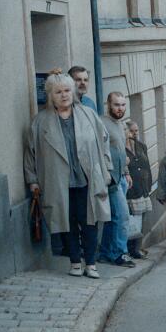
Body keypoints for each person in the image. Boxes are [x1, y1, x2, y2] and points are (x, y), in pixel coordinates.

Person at [24, 70, 112, 279]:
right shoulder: (40, 122)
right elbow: (30, 153)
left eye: (66, 91)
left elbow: (104, 142)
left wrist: (106, 169)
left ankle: (90, 263)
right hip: (57, 181)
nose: (63, 95)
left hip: (86, 179)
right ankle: (74, 262)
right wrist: (33, 180)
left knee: (90, 221)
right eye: (58, 92)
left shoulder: (88, 115)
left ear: (72, 92)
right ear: (50, 95)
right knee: (67, 223)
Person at [98, 92, 135, 268]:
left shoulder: (120, 125)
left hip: (120, 176)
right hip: (111, 178)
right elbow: (100, 153)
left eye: (122, 105)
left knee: (113, 217)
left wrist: (127, 172)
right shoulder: (102, 123)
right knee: (122, 216)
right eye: (116, 105)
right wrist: (108, 176)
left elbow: (121, 151)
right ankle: (120, 253)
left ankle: (105, 252)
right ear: (108, 105)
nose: (120, 109)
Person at [124, 120, 152, 260]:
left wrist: (149, 184)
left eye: (136, 131)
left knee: (141, 220)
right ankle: (130, 249)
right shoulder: (121, 148)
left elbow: (147, 166)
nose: (134, 134)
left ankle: (138, 248)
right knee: (131, 221)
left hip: (143, 188)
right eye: (131, 131)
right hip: (130, 190)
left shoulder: (141, 146)